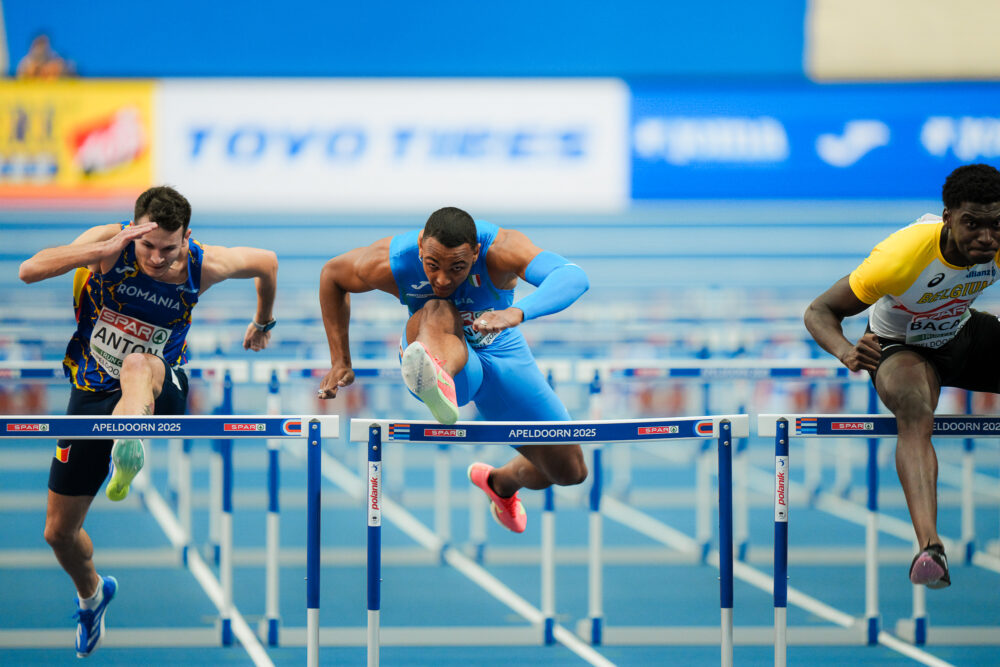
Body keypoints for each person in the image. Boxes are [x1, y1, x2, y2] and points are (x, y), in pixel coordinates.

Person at [18, 186, 278, 657]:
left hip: (160, 383)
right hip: (92, 390)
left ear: (187, 238)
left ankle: (128, 438)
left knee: (139, 364)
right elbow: (29, 270)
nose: (157, 258)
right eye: (147, 246)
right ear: (133, 230)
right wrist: (102, 250)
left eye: (169, 248)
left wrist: (263, 322)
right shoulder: (109, 244)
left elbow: (267, 263)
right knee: (58, 533)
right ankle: (93, 593)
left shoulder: (205, 265)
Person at [317, 206, 590, 534]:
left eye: (457, 267)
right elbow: (332, 276)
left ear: (476, 253)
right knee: (436, 304)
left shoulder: (501, 248)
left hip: (501, 353)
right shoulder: (392, 260)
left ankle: (499, 483)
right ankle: (436, 376)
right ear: (420, 247)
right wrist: (340, 361)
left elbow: (573, 276)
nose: (443, 278)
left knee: (569, 472)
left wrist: (517, 312)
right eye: (432, 266)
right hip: (438, 351)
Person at [804, 163, 1000, 590]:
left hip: (961, 333)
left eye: (995, 225)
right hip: (899, 349)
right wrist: (845, 350)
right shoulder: (899, 257)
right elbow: (819, 311)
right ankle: (930, 548)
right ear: (947, 217)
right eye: (973, 225)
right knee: (914, 408)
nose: (986, 237)